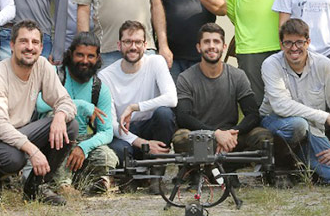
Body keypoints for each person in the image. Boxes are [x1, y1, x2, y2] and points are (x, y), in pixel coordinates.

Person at [0, 20, 78, 205]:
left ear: (41, 47)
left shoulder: (42, 66)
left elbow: (65, 101)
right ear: (12, 45)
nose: (29, 47)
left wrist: (60, 116)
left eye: (34, 42)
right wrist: (33, 151)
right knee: (13, 158)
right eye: (24, 41)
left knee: (70, 126)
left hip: (19, 131)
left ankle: (36, 188)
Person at [259, 18, 330, 187]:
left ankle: (301, 165)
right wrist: (326, 117)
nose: (294, 48)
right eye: (288, 43)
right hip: (275, 122)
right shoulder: (271, 64)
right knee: (298, 125)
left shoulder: (324, 65)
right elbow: (281, 105)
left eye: (299, 42)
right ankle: (281, 166)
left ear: (308, 42)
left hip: (312, 130)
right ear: (281, 44)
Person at [172, 23, 272, 163]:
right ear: (198, 47)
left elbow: (252, 114)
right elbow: (183, 117)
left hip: (233, 137)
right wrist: (215, 134)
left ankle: (254, 170)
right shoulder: (185, 78)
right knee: (181, 137)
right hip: (201, 136)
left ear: (224, 47)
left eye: (216, 42)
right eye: (207, 42)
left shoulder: (238, 75)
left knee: (263, 135)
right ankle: (197, 171)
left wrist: (234, 132)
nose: (212, 46)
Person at [35, 32, 118, 194]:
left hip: (81, 141)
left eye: (90, 56)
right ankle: (62, 184)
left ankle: (95, 182)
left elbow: (107, 132)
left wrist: (83, 147)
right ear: (71, 54)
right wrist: (81, 105)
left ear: (98, 58)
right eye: (80, 55)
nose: (85, 61)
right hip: (53, 138)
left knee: (109, 157)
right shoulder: (55, 75)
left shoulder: (100, 88)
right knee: (64, 124)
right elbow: (39, 105)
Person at [101, 20, 178, 193]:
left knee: (164, 114)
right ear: (119, 45)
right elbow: (111, 125)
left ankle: (156, 177)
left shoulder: (156, 62)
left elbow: (172, 99)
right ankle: (129, 179)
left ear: (145, 45)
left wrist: (135, 107)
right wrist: (143, 143)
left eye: (137, 42)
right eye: (128, 42)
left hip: (149, 127)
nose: (133, 47)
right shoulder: (106, 76)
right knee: (120, 148)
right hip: (125, 135)